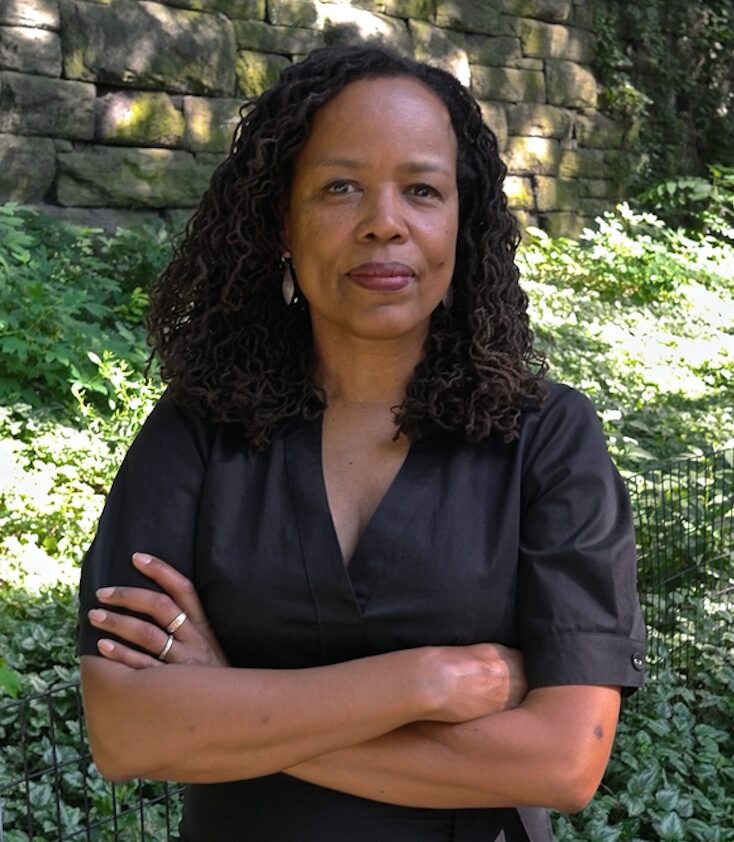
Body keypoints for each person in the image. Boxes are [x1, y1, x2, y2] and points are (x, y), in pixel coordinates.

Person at [76, 45, 645, 842]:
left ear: (462, 223)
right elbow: (127, 731)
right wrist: (424, 681)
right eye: (340, 187)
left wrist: (230, 701)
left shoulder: (548, 440)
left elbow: (560, 762)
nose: (385, 221)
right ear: (282, 218)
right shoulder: (197, 430)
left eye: (421, 190)